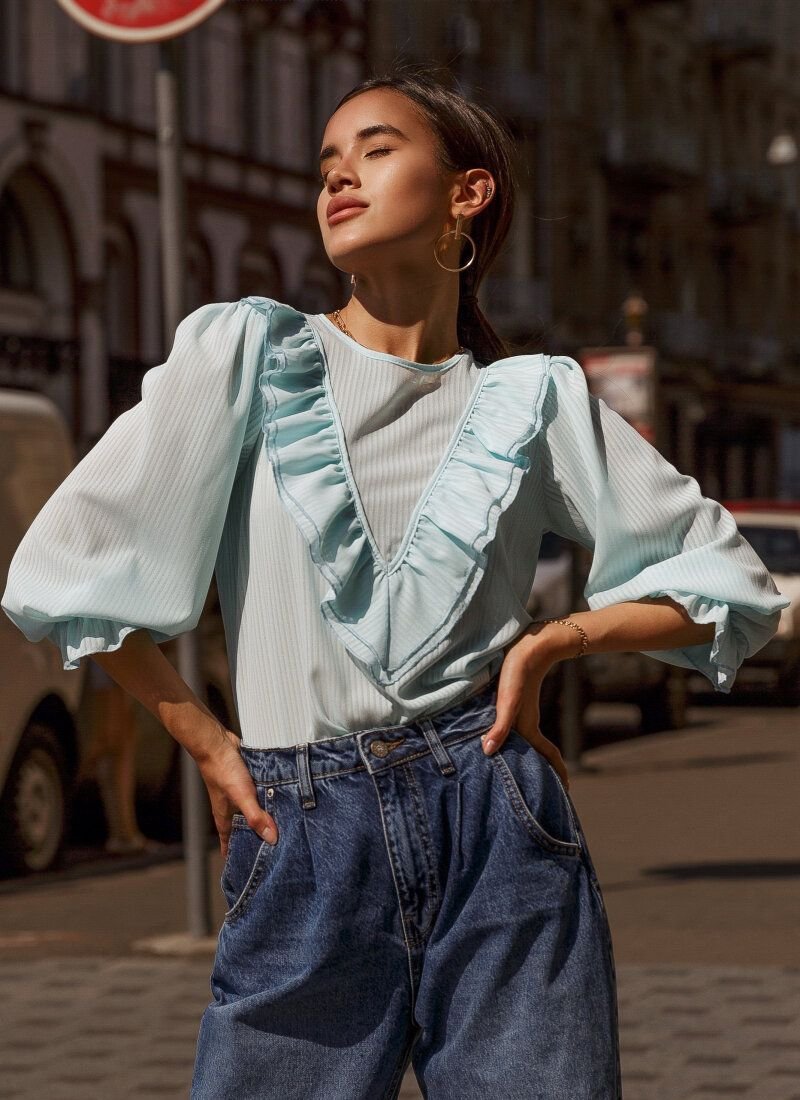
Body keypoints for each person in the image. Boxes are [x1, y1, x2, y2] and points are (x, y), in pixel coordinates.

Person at [1, 68, 789, 1099]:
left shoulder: (532, 397)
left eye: (373, 150)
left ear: (467, 193)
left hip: (496, 817)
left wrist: (551, 642)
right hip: (299, 822)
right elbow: (64, 569)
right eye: (327, 163)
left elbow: (725, 583)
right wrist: (203, 736)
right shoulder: (248, 352)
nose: (338, 179)